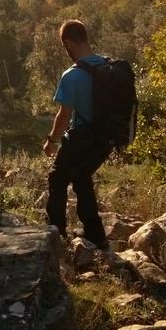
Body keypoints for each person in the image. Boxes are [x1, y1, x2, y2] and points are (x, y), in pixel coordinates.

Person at [42, 19, 112, 249]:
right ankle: (96, 236)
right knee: (81, 178)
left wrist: (51, 142)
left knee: (57, 178)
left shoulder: (72, 75)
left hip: (83, 138)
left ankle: (56, 235)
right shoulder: (108, 65)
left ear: (69, 43)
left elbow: (64, 116)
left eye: (65, 47)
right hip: (106, 139)